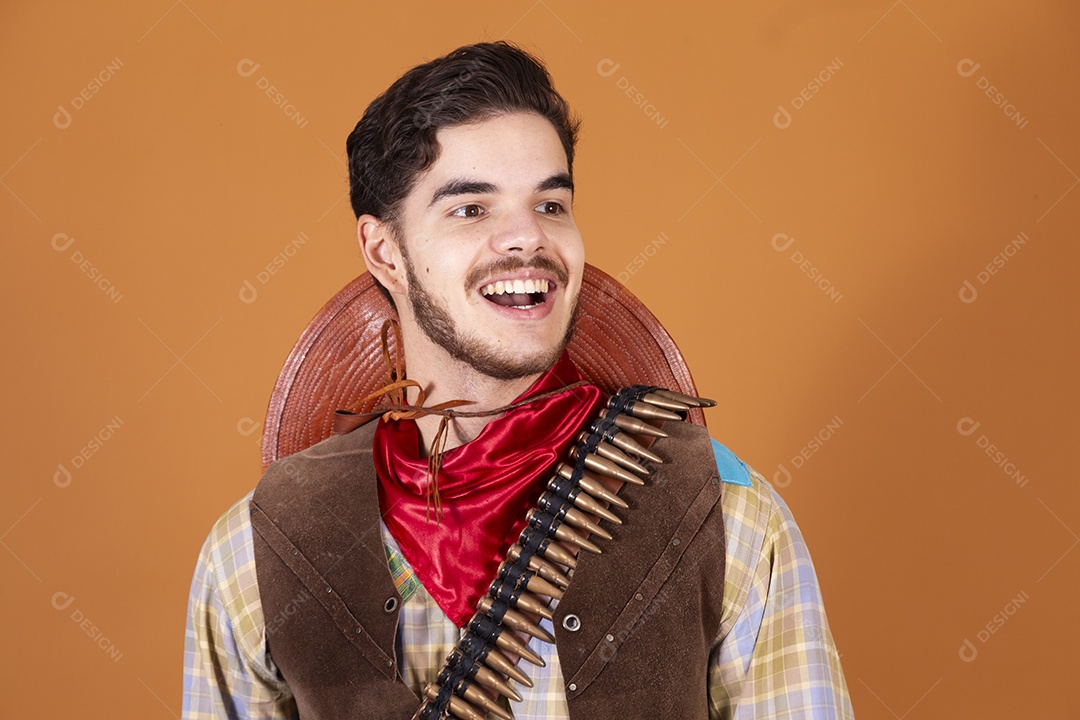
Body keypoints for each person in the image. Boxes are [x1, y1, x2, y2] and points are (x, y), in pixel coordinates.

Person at [183, 41, 853, 719]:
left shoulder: (724, 515)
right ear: (386, 252)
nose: (526, 238)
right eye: (471, 210)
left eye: (551, 205)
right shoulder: (257, 552)